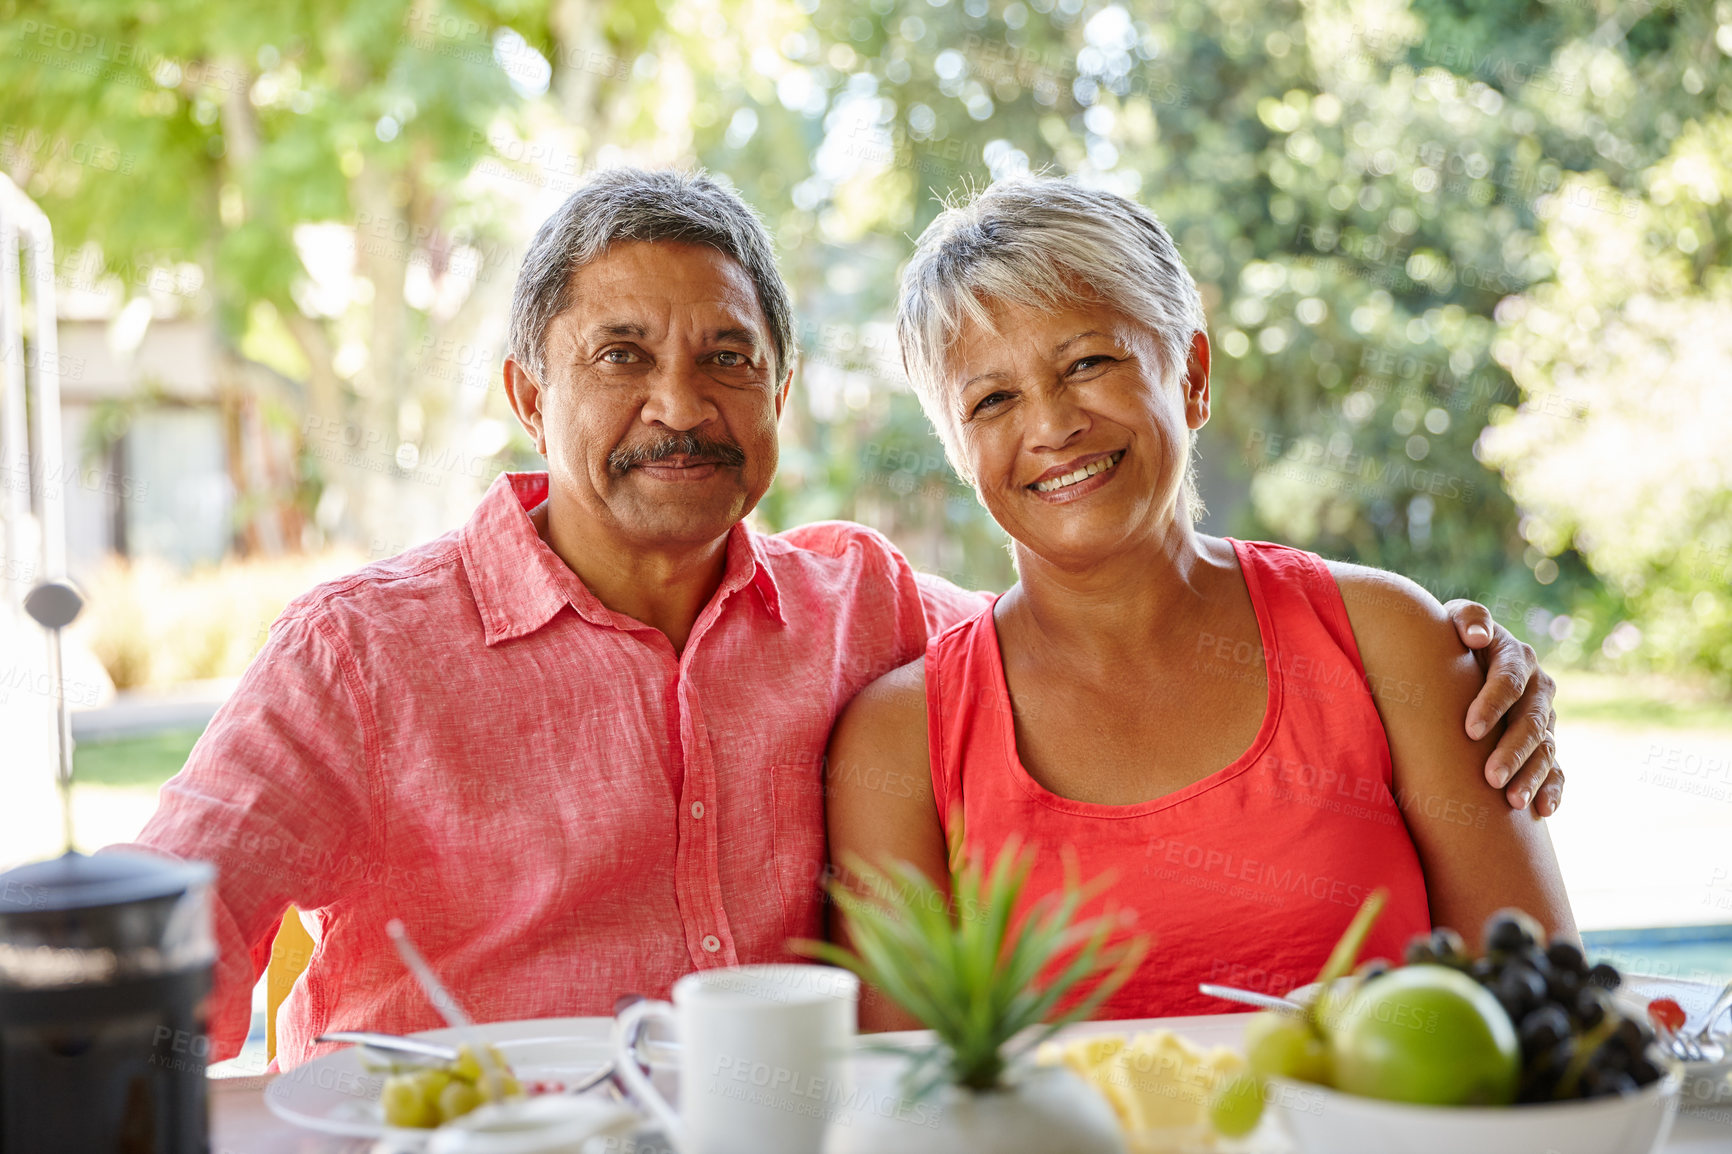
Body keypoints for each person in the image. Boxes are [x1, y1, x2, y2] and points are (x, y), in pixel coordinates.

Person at [116, 169, 1564, 1068]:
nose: (678, 404)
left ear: (777, 399)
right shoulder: (361, 659)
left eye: (725, 357)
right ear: (524, 394)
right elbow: (141, 957)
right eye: (620, 355)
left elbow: (1088, 612)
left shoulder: (860, 611)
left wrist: (1468, 658)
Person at [826, 178, 1576, 1027]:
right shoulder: (900, 744)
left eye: (1088, 363)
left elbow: (1548, 1024)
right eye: (992, 399)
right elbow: (907, 1102)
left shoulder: (1389, 644)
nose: (1051, 424)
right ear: (958, 447)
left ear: (1192, 374)